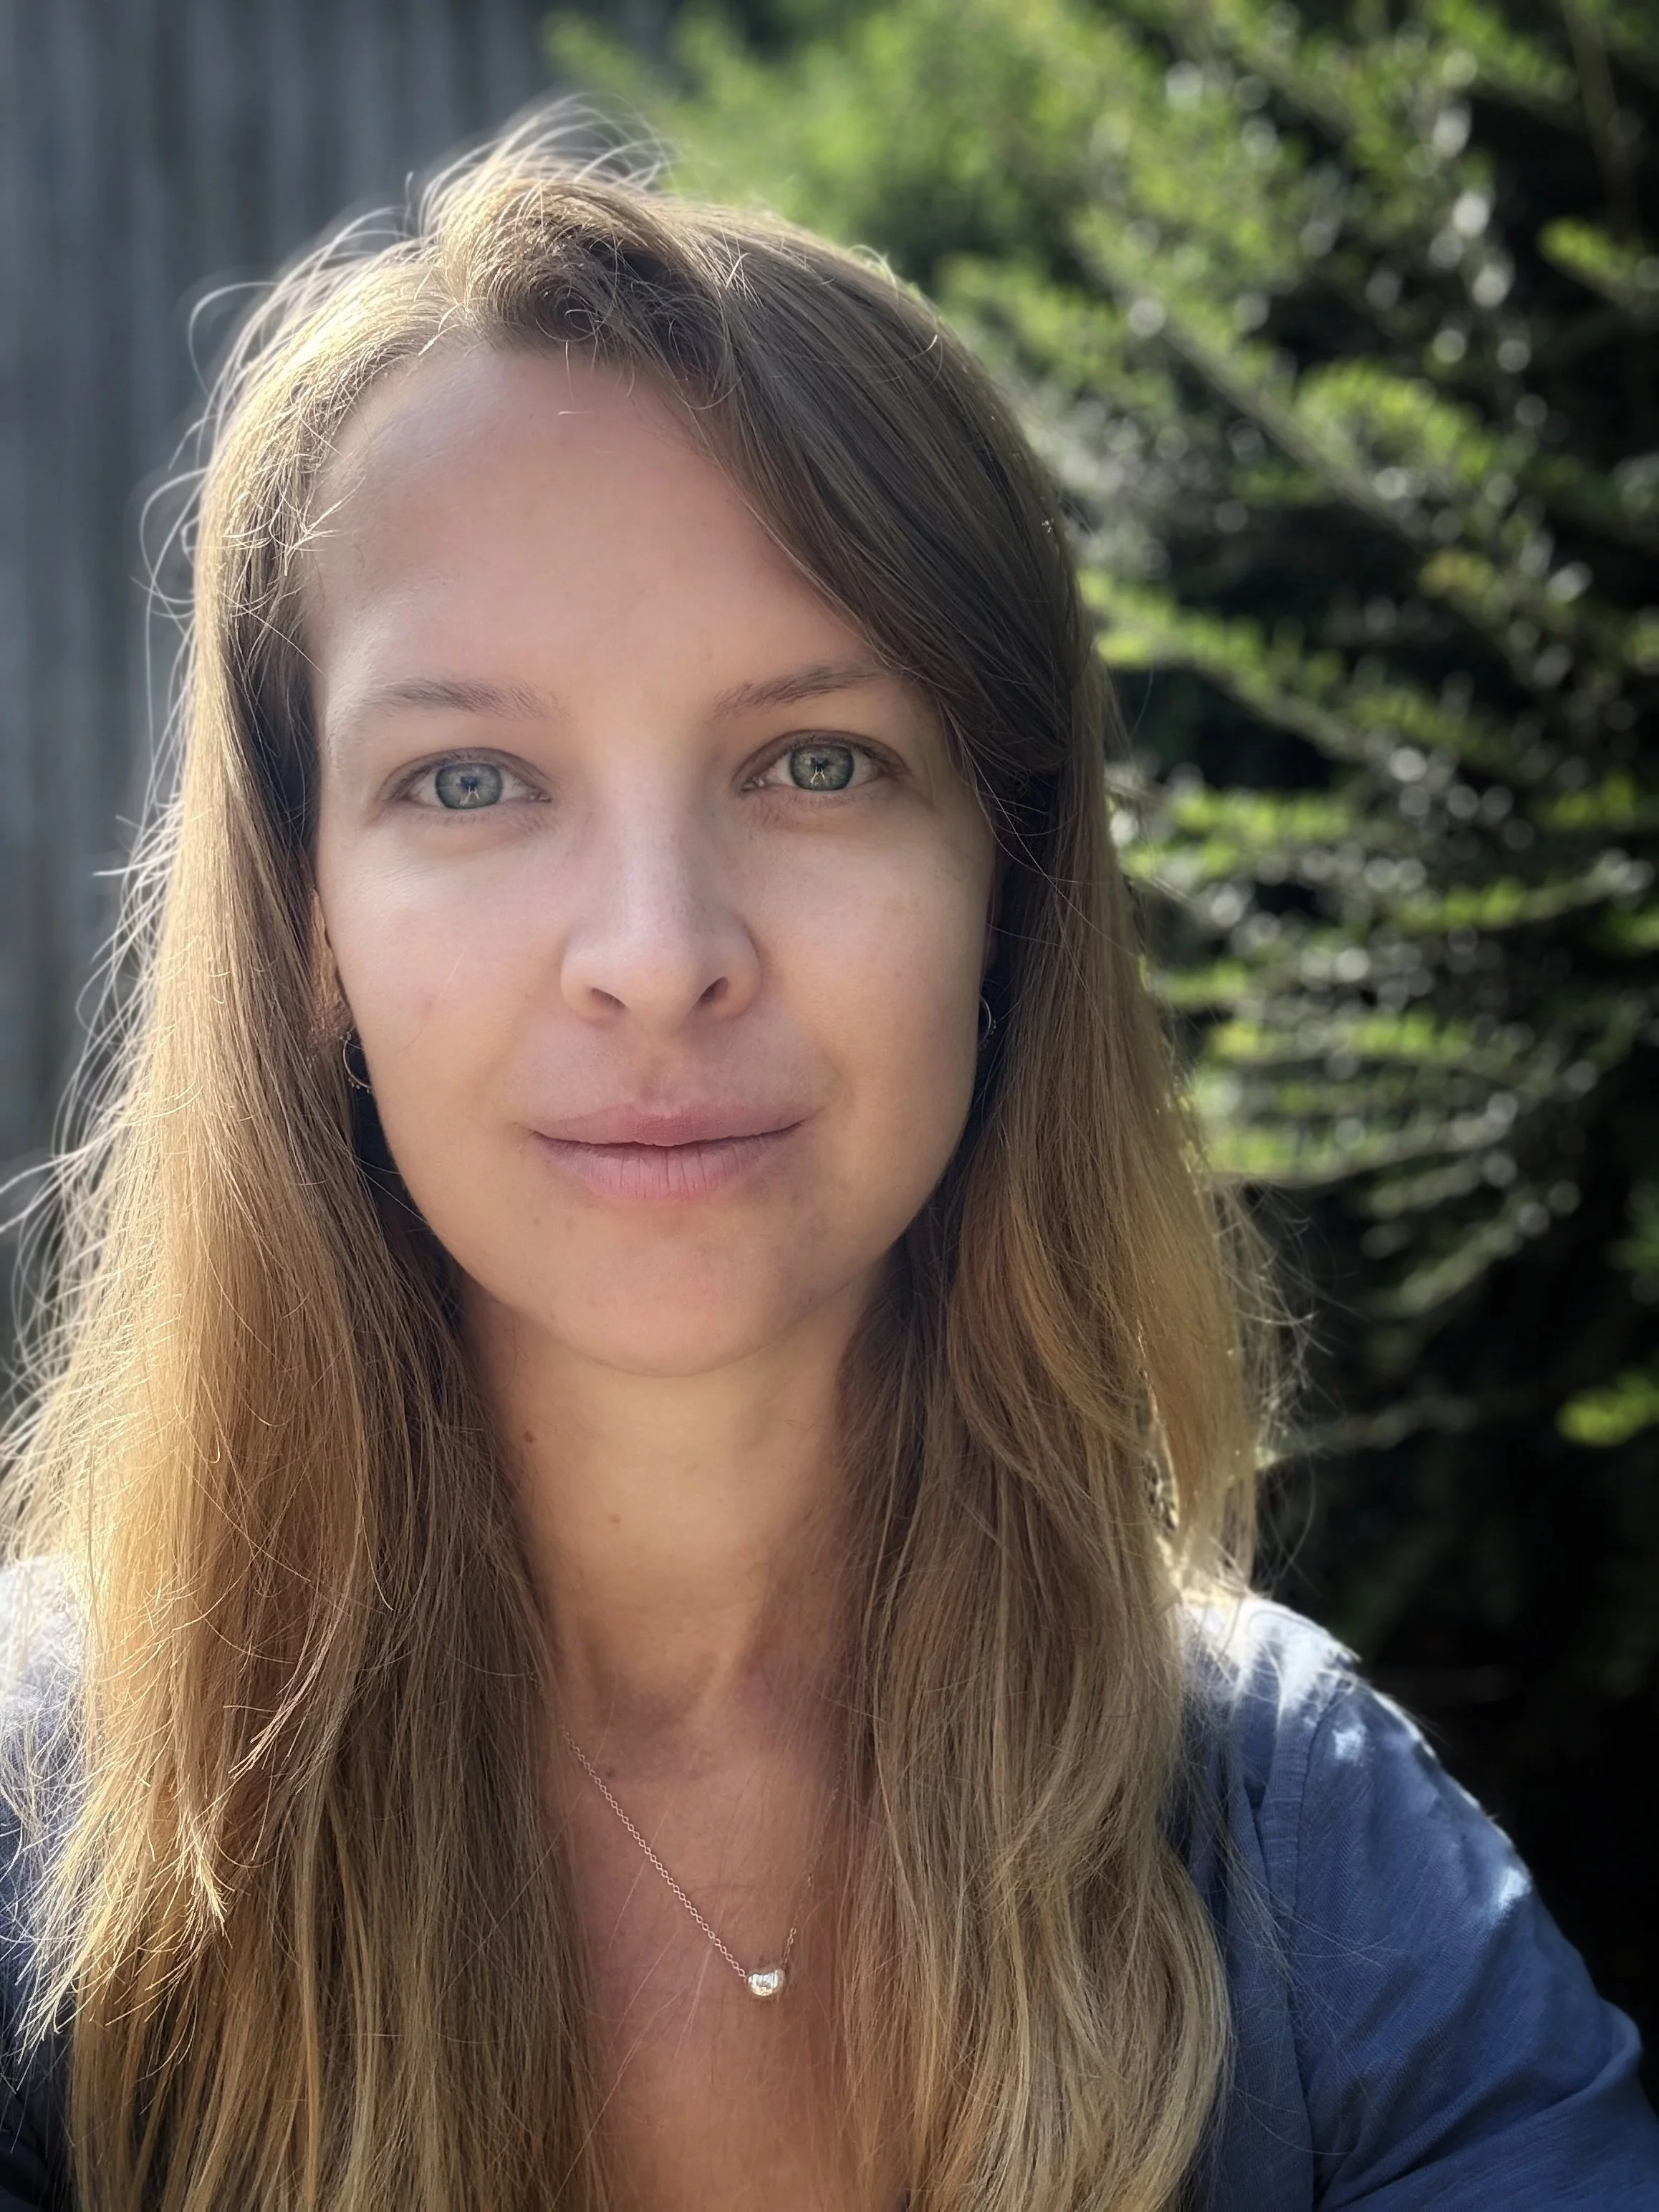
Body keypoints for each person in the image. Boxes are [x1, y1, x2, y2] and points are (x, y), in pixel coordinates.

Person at [1, 122, 1655, 2212]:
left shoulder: (1295, 1846)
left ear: (1012, 878)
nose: (657, 956)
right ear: (308, 921)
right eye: (472, 778)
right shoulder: (38, 1848)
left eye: (815, 762)